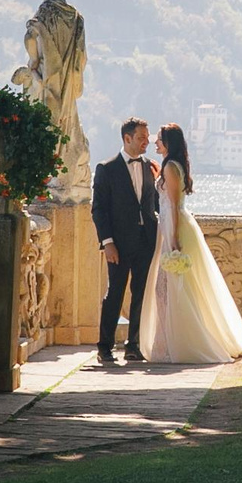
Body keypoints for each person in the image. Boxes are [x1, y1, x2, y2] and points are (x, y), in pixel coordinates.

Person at [139, 123, 242, 365]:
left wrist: (174, 239)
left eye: (158, 140)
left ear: (168, 143)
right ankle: (168, 341)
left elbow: (174, 206)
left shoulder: (170, 167)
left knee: (169, 289)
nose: (154, 143)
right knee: (173, 289)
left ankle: (173, 342)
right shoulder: (170, 166)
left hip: (174, 229)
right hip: (170, 227)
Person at [90, 118, 158, 364]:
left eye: (148, 138)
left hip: (146, 241)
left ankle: (134, 345)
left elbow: (154, 204)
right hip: (118, 243)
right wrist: (107, 242)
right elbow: (99, 210)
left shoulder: (151, 166)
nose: (146, 142)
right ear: (127, 138)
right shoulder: (106, 168)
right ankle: (105, 347)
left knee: (141, 293)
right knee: (115, 293)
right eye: (141, 138)